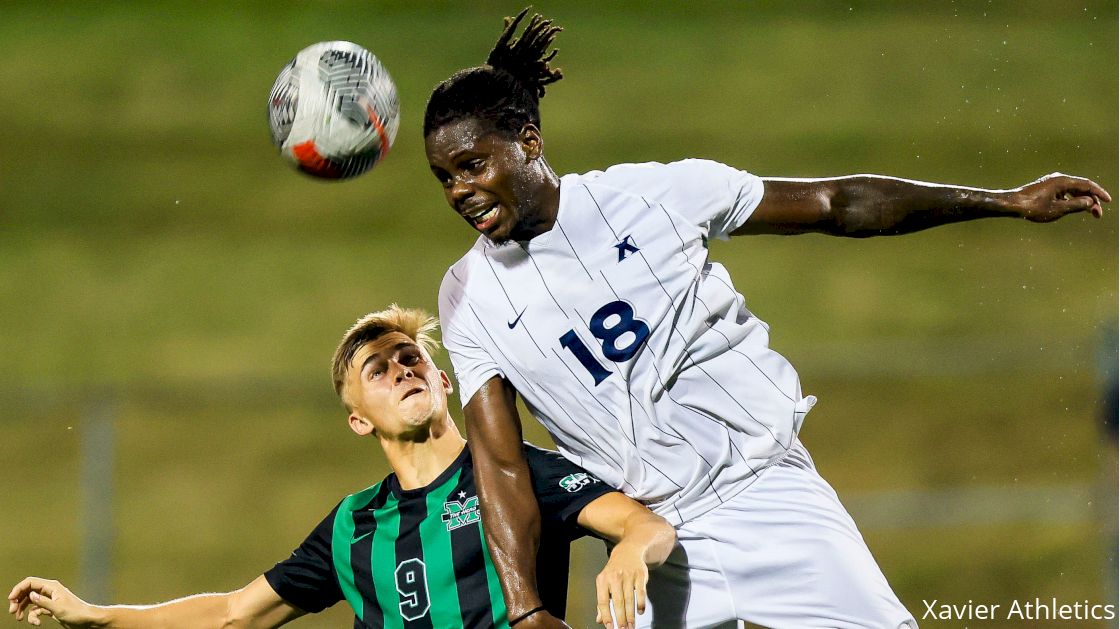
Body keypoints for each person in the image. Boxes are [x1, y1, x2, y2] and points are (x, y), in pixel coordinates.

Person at [424, 9, 1113, 629]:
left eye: (472, 165)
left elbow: (836, 203)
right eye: (445, 177)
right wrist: (525, 610)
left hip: (767, 495)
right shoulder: (468, 297)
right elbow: (501, 464)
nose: (459, 191)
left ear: (530, 142)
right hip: (650, 542)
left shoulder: (654, 196)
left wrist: (1006, 200)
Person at [8, 305, 676, 629]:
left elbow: (643, 523)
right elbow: (234, 613)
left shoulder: (509, 471)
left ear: (443, 381)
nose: (400, 369)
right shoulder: (354, 526)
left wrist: (629, 552)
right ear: (359, 418)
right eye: (377, 371)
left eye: (410, 357)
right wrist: (96, 615)